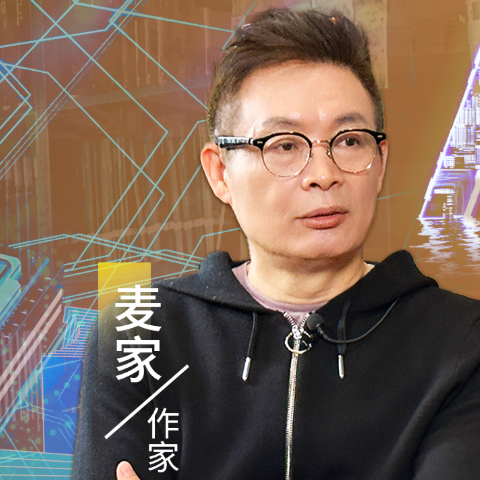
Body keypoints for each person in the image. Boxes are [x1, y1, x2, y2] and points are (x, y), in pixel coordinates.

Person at [73, 8, 480, 480]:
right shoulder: (138, 331)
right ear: (220, 172)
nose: (324, 174)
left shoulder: (461, 341)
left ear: (380, 160)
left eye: (349, 141)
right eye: (284, 145)